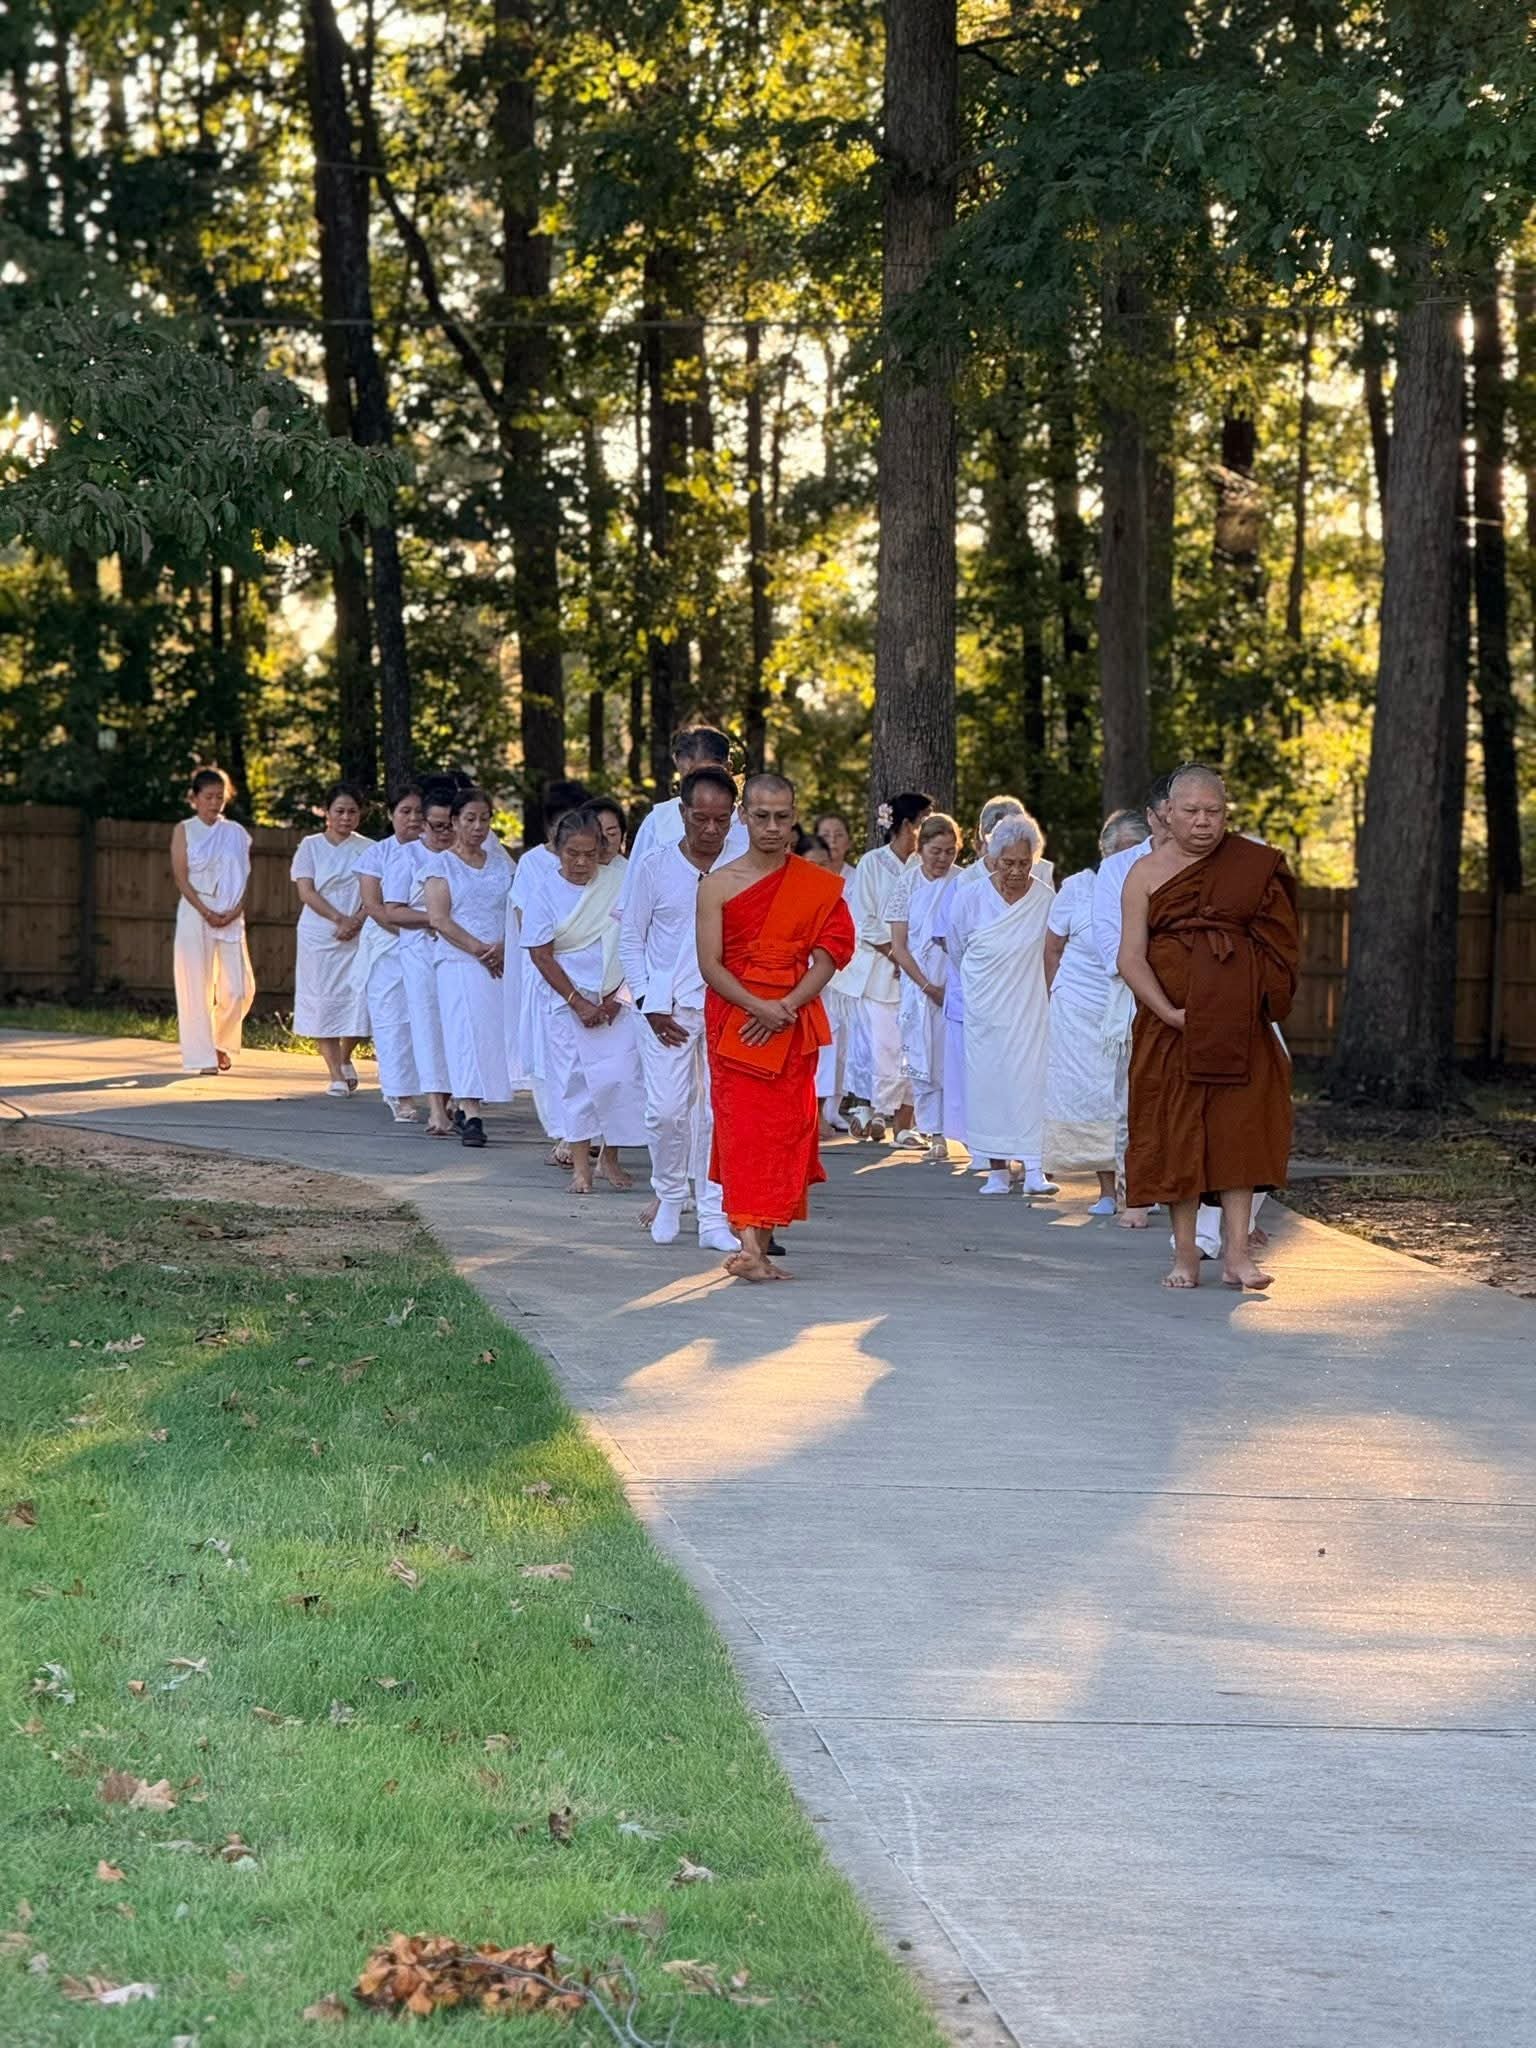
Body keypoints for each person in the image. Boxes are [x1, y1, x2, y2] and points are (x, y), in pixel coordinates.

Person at [1117, 764, 1299, 1290]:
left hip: (1238, 1028)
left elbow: (1280, 945)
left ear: (1227, 813)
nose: (1203, 822)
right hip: (1169, 1028)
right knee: (1178, 1137)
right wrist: (1167, 1011)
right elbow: (1130, 957)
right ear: (1166, 815)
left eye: (1213, 812)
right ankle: (1186, 1255)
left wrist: (1246, 999)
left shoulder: (1252, 866)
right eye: (1191, 812)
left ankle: (1239, 1255)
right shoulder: (1144, 874)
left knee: (1236, 1136)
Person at [698, 772, 856, 1280]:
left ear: (794, 817)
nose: (771, 827)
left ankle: (759, 1245)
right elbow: (710, 964)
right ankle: (749, 1246)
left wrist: (784, 1005)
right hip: (735, 1020)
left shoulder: (814, 885)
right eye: (761, 816)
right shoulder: (717, 885)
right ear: (743, 816)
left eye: (782, 817)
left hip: (791, 1018)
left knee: (786, 1131)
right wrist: (756, 1007)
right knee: (743, 1131)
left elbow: (832, 952)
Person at [620, 765, 742, 1252]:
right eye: (701, 819)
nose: (711, 830)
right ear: (682, 812)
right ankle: (670, 1196)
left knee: (716, 1114)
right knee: (667, 1112)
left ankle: (713, 1214)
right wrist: (649, 1001)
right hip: (665, 1011)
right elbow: (631, 937)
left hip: (726, 1005)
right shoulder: (653, 865)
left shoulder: (745, 863)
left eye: (721, 819)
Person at [524, 807, 644, 1194]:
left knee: (619, 1079)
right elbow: (541, 954)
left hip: (615, 1001)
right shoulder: (544, 890)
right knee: (576, 1081)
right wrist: (577, 1001)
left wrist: (614, 999)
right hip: (566, 1002)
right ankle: (580, 1166)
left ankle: (611, 1156)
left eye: (589, 854)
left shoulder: (620, 882)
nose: (580, 862)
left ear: (602, 850)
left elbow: (636, 942)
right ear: (557, 850)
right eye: (572, 853)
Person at [946, 814, 1057, 1199]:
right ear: (992, 859)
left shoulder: (1044, 897)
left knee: (1032, 1083)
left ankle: (1034, 1168)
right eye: (1007, 863)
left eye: (1023, 863)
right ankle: (996, 1170)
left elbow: (1054, 951)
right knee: (988, 1085)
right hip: (985, 1009)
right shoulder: (969, 897)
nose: (1015, 871)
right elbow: (958, 949)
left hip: (1031, 1007)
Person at [1044, 808, 1149, 1213]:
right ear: (1104, 851)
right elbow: (1052, 948)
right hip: (1080, 1010)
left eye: (1133, 850)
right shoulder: (1077, 887)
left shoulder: (1154, 884)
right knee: (1093, 1099)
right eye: (1118, 850)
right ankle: (1107, 1188)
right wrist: (1057, 997)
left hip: (1134, 1004)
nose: (1125, 858)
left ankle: (1138, 1183)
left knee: (1134, 1097)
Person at [505, 778, 590, 1160]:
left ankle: (589, 1132)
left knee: (587, 1056)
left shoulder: (598, 866)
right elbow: (527, 919)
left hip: (592, 971)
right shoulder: (532, 863)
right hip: (547, 967)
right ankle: (563, 1132)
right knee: (552, 1055)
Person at [423, 787, 512, 1149]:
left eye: (484, 819)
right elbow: (439, 918)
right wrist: (478, 949)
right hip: (461, 959)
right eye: (470, 819)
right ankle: (469, 1109)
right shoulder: (441, 865)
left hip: (501, 958)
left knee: (493, 1033)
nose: (478, 827)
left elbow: (517, 906)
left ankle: (478, 1100)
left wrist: (504, 946)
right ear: (456, 821)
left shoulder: (502, 862)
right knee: (464, 1032)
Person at [844, 791, 931, 1142]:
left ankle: (905, 1121)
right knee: (882, 1044)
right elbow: (864, 920)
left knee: (915, 1043)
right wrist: (897, 956)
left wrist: (914, 961)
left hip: (919, 968)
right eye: (923, 821)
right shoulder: (871, 863)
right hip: (880, 967)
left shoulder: (924, 865)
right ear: (907, 824)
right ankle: (875, 1110)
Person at [886, 813, 960, 1160]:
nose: (943, 859)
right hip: (920, 985)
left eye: (949, 851)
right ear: (922, 848)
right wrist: (929, 986)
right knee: (924, 1056)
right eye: (936, 851)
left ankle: (967, 1130)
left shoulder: (964, 883)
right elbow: (899, 946)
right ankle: (935, 1132)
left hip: (957, 982)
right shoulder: (907, 883)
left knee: (956, 1056)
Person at [170, 767, 253, 1075]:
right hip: (196, 910)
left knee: (239, 988)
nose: (215, 803)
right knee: (195, 984)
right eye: (208, 797)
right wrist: (205, 910)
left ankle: (219, 1040)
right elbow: (181, 876)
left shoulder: (235, 833)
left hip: (230, 913)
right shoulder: (184, 830)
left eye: (220, 797)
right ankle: (202, 1057)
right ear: (194, 798)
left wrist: (234, 910)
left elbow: (244, 878)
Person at [290, 782, 371, 1094]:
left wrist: (356, 920)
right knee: (322, 1001)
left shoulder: (368, 848)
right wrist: (338, 918)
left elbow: (375, 892)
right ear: (327, 813)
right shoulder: (310, 845)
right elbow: (306, 890)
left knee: (358, 999)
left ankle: (347, 1055)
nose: (346, 817)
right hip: (318, 933)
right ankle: (335, 1073)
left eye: (352, 811)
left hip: (358, 931)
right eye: (339, 811)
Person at [356, 784, 425, 1122]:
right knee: (393, 1020)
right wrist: (406, 933)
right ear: (391, 815)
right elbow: (372, 905)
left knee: (426, 1019)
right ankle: (399, 1093)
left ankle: (445, 1092)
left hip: (431, 941)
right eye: (405, 811)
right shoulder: (377, 853)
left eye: (418, 812)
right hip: (389, 944)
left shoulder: (438, 852)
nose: (413, 818)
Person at [396, 783, 457, 1136]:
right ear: (424, 825)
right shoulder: (407, 857)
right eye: (436, 826)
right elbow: (391, 910)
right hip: (421, 950)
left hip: (463, 950)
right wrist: (434, 919)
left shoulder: (472, 855)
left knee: (458, 1026)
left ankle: (459, 1098)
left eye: (451, 825)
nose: (444, 833)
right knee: (428, 1024)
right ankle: (436, 1107)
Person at [626, 726, 742, 874]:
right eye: (687, 778)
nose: (695, 785)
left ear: (727, 768)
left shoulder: (749, 825)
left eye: (705, 776)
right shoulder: (658, 822)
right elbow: (635, 886)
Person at [813, 813, 857, 880]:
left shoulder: (859, 879)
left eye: (839, 835)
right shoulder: (806, 876)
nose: (832, 840)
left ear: (849, 843)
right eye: (826, 835)